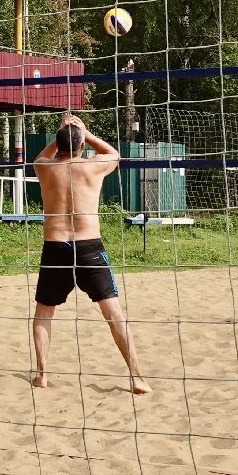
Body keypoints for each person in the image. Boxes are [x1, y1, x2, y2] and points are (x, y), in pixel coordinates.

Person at [29, 114, 148, 394]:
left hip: (55, 246)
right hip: (88, 246)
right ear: (82, 145)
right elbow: (113, 153)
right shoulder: (93, 167)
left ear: (57, 144)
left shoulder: (44, 168)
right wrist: (83, 130)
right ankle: (137, 377)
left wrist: (63, 133)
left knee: (44, 312)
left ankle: (42, 374)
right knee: (113, 313)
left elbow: (41, 156)